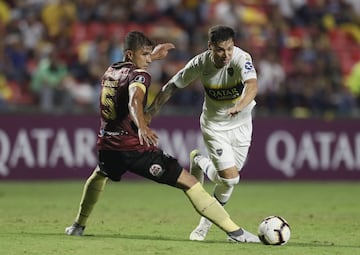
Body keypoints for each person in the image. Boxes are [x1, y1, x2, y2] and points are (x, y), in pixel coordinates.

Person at [64, 30, 260, 243]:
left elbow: (131, 68)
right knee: (191, 182)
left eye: (150, 54)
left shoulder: (111, 70)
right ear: (131, 55)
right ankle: (236, 232)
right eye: (145, 55)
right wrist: (142, 125)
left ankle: (78, 225)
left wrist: (154, 55)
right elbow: (134, 100)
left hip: (108, 144)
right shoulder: (141, 76)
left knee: (100, 174)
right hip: (133, 148)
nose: (149, 60)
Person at [146, 25, 258, 241]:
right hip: (215, 127)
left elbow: (252, 85)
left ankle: (199, 161)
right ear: (210, 47)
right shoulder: (200, 63)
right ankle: (207, 226)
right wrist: (151, 112)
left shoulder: (242, 58)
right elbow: (171, 86)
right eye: (220, 50)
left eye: (229, 49)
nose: (226, 55)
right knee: (231, 180)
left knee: (228, 180)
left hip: (242, 124)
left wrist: (241, 105)